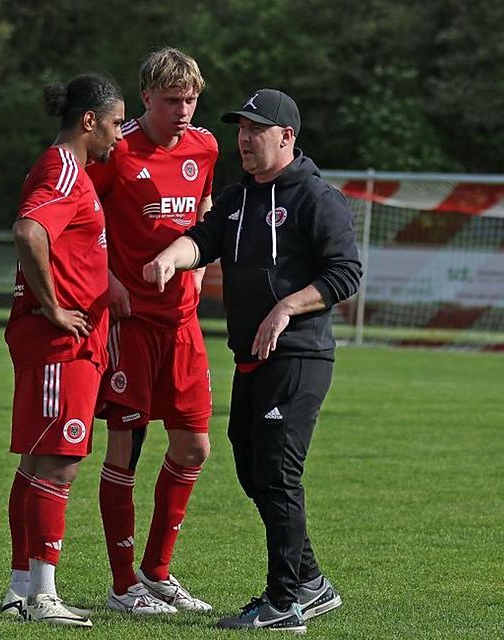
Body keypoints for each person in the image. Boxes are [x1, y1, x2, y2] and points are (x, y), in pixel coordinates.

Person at [144, 88, 363, 633]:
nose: (243, 138)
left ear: (286, 136)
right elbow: (204, 239)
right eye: (240, 129)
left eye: (255, 129)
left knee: (278, 471)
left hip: (299, 357)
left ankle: (285, 601)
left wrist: (286, 307)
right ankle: (310, 583)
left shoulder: (317, 198)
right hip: (251, 361)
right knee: (252, 469)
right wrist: (173, 255)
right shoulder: (238, 199)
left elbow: (345, 274)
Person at [85, 46, 218, 615]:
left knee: (194, 447)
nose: (184, 110)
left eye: (191, 99)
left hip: (184, 323)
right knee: (125, 450)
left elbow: (206, 210)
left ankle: (158, 573)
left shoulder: (206, 146)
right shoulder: (117, 152)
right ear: (145, 98)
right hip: (131, 325)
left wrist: (201, 258)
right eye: (172, 101)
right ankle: (122, 587)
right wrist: (109, 280)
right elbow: (80, 220)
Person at [0, 74, 125, 628]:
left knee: (35, 462)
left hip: (67, 341)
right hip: (61, 342)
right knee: (61, 463)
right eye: (117, 123)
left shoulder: (67, 169)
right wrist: (52, 306)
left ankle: (21, 588)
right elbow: (28, 231)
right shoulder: (64, 169)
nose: (120, 136)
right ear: (90, 121)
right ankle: (43, 595)